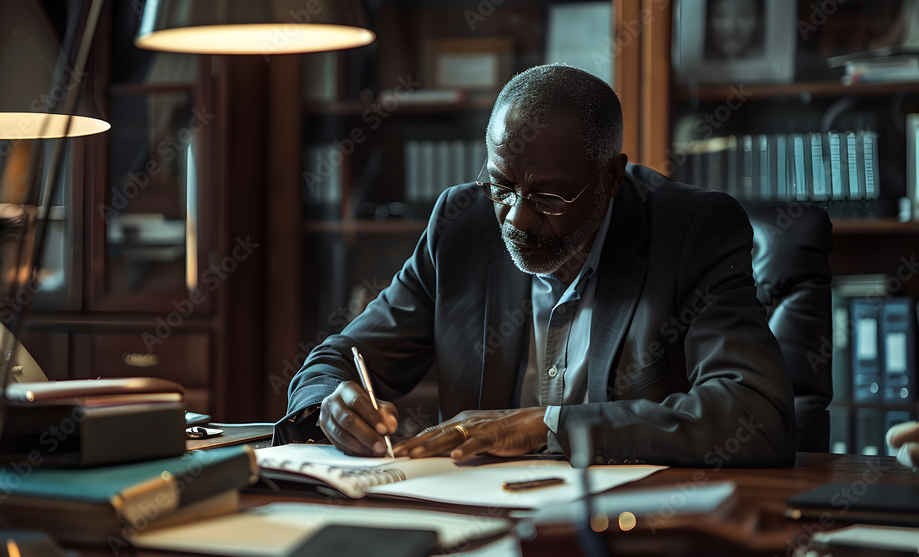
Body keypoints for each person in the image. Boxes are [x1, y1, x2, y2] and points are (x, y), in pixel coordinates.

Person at [275, 64, 796, 467]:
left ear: (613, 178)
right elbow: (337, 358)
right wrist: (332, 402)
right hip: (478, 520)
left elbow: (754, 413)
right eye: (503, 186)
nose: (517, 218)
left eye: (549, 196)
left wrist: (546, 425)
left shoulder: (689, 231)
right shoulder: (464, 224)